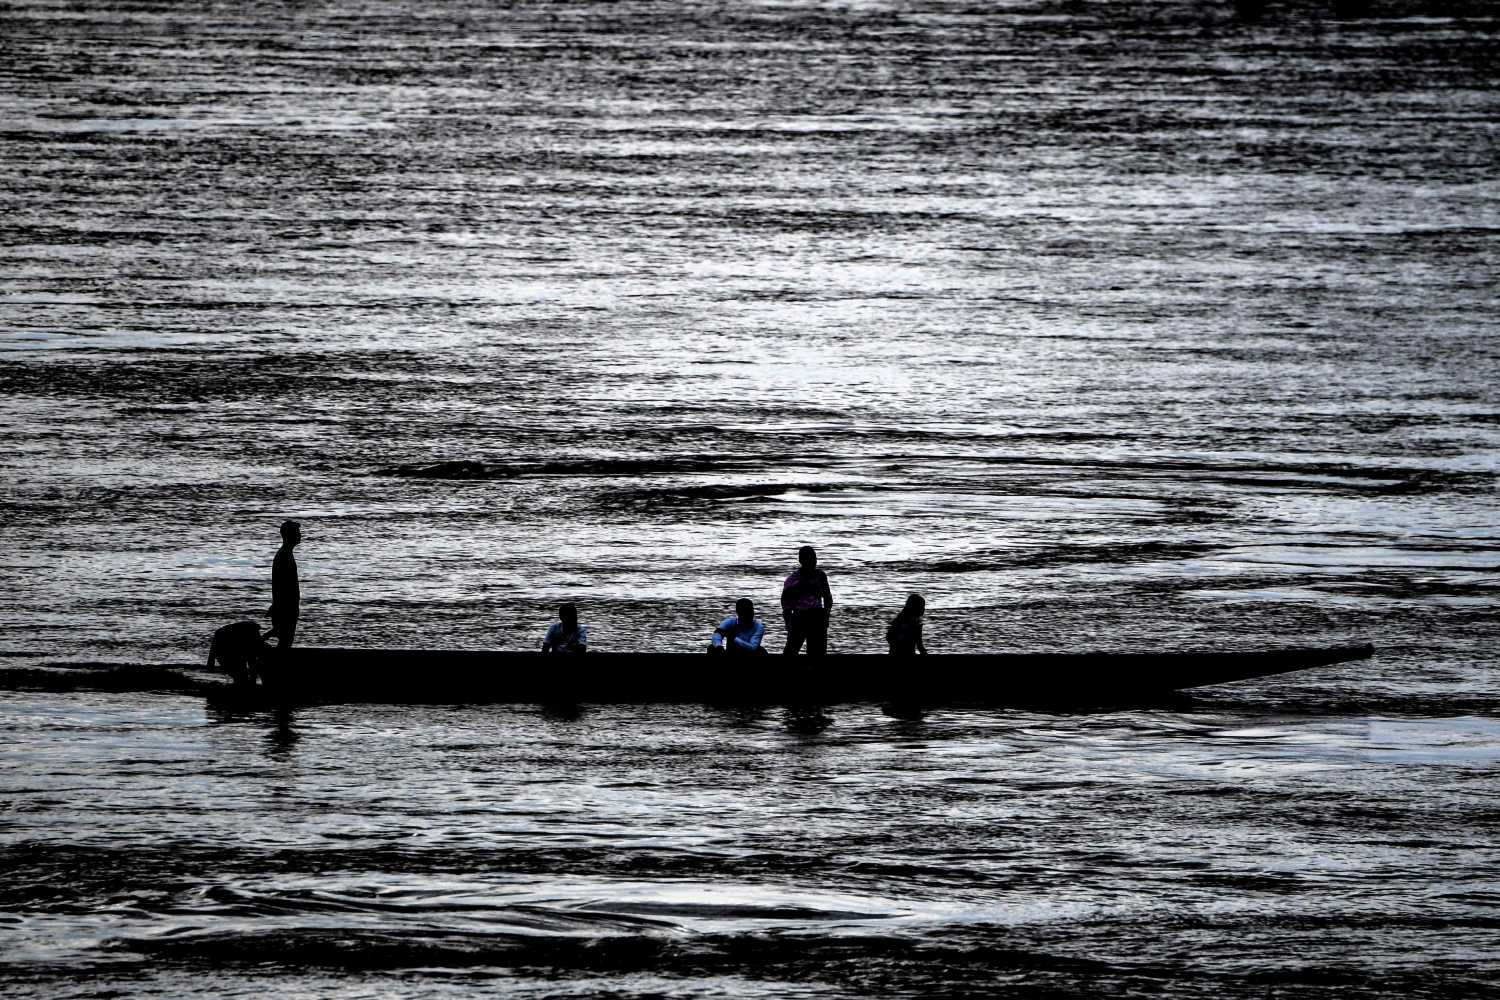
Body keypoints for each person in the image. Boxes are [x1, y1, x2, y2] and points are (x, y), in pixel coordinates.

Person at [781, 545, 833, 655]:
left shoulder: (820, 576)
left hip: (818, 617)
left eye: (814, 558)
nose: (813, 561)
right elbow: (785, 604)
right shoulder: (793, 580)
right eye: (809, 559)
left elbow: (828, 598)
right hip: (800, 616)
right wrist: (788, 623)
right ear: (801, 561)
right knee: (790, 651)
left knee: (817, 653)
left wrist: (826, 616)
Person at [266, 520, 301, 648]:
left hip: (287, 607)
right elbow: (282, 586)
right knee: (285, 641)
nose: (300, 535)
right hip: (286, 608)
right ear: (289, 535)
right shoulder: (284, 556)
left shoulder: (285, 554)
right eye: (297, 532)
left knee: (284, 639)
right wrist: (279, 606)